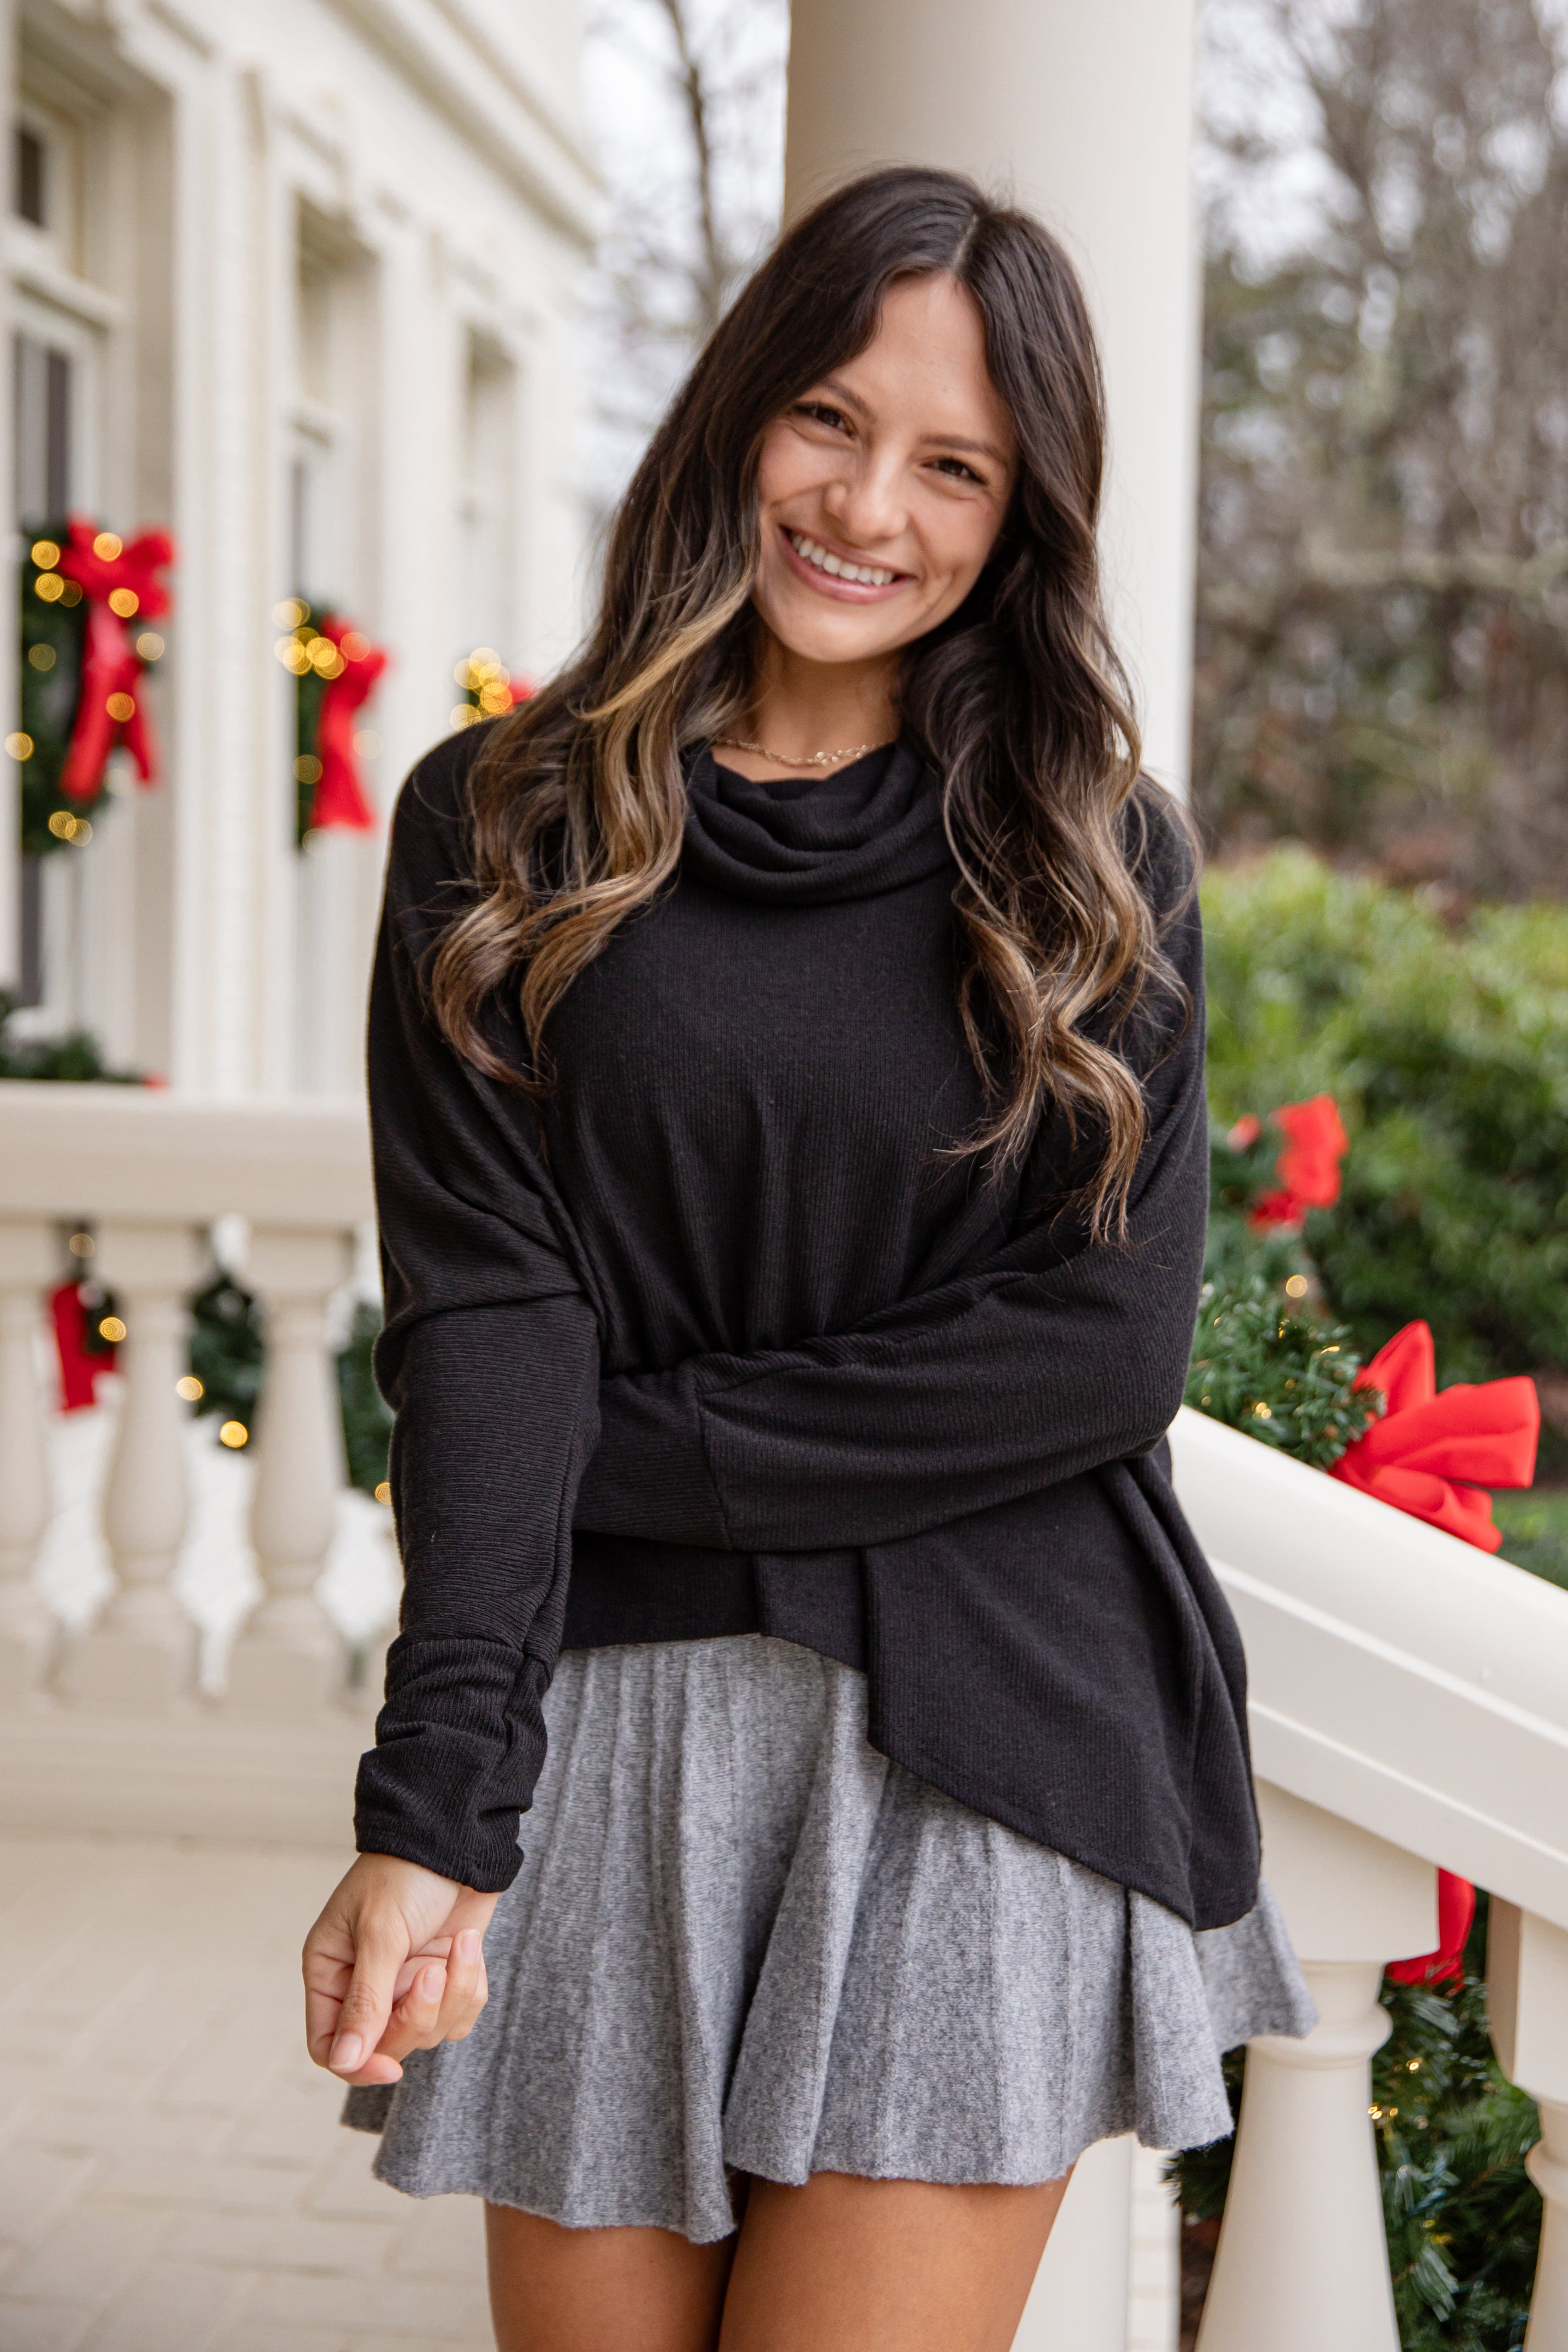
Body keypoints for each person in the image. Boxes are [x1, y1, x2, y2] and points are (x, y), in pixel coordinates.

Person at [302, 166, 1313, 2352]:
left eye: (954, 463)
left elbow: (1092, 1357)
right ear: (738, 415)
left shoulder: (1090, 858)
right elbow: (484, 1322)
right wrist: (434, 1801)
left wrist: (613, 1443)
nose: (871, 504)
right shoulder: (499, 831)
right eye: (830, 421)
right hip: (609, 1733)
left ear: (1020, 511)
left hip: (997, 1729)